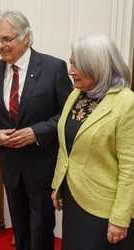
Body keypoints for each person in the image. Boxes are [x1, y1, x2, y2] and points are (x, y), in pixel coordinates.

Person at [0, 10, 72, 250]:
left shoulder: (53, 67)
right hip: (11, 167)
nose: (0, 45)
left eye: (7, 39)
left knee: (41, 230)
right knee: (20, 228)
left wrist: (36, 132)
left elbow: (68, 114)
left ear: (26, 37)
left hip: (42, 166)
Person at [51, 33, 134, 250]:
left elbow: (130, 168)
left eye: (77, 65)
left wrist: (120, 218)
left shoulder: (126, 103)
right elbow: (65, 145)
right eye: (70, 63)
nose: (70, 71)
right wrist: (57, 186)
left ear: (97, 66)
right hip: (74, 199)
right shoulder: (77, 94)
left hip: (104, 209)